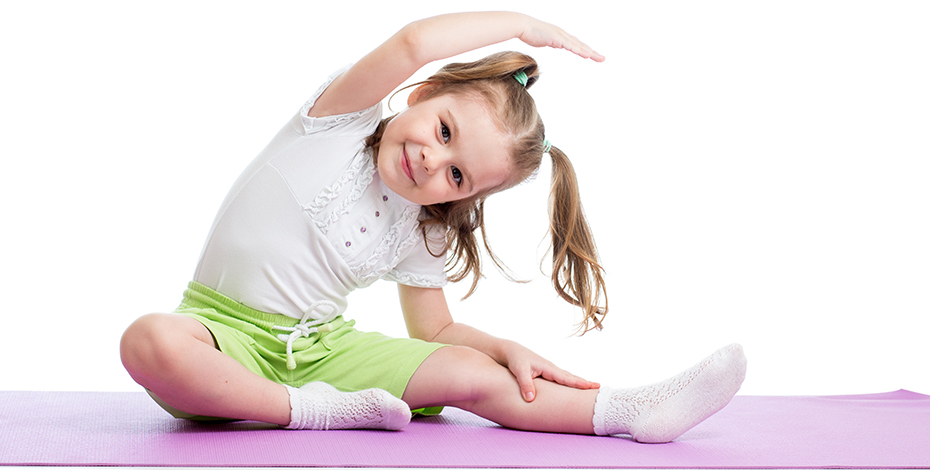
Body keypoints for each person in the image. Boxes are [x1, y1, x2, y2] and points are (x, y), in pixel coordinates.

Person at [120, 11, 746, 443]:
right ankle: (311, 413)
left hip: (323, 350)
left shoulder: (424, 225)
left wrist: (504, 352)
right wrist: (522, 26)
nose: (431, 161)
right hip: (221, 341)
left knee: (473, 377)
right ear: (425, 93)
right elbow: (413, 40)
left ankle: (626, 411)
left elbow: (434, 329)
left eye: (457, 176)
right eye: (445, 132)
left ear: (467, 196)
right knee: (151, 342)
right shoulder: (334, 123)